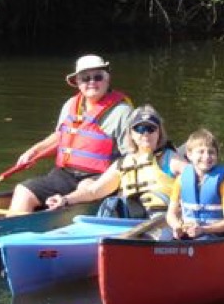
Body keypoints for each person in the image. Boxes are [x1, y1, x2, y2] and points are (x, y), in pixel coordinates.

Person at [8, 55, 132, 214]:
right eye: (85, 78)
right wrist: (34, 151)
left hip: (98, 177)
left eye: (98, 77)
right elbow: (60, 137)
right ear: (78, 83)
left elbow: (131, 156)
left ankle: (62, 208)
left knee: (84, 189)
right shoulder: (70, 105)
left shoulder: (123, 112)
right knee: (22, 191)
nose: (92, 82)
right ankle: (13, 231)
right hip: (65, 174)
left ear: (107, 80)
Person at [46, 105, 188, 216]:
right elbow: (93, 191)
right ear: (131, 134)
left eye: (151, 128)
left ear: (159, 132)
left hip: (161, 221)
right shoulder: (122, 164)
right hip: (128, 222)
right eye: (140, 128)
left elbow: (200, 179)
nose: (145, 133)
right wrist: (65, 199)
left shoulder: (170, 159)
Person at [166, 128, 224, 239]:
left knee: (204, 239)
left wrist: (203, 229)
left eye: (211, 152)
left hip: (216, 235)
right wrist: (177, 226)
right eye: (201, 151)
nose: (206, 157)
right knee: (165, 236)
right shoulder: (181, 181)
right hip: (189, 232)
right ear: (189, 155)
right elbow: (171, 214)